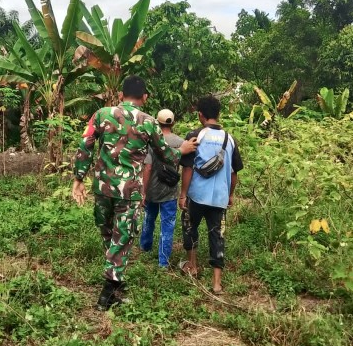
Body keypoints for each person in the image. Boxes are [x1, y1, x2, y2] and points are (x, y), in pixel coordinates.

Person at [72, 76, 197, 310]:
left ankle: (115, 281)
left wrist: (78, 178)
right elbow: (166, 156)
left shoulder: (101, 114)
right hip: (129, 191)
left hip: (103, 188)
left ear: (121, 95)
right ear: (145, 97)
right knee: (122, 238)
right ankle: (107, 294)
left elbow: (85, 144)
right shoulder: (149, 122)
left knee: (109, 236)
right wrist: (182, 150)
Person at [178, 95, 243, 294]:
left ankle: (193, 266)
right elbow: (234, 174)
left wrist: (183, 194)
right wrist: (230, 196)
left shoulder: (196, 135)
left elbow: (188, 169)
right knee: (217, 235)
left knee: (190, 226)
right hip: (220, 198)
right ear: (218, 114)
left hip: (197, 195)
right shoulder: (229, 139)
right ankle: (216, 284)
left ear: (200, 115)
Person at [139, 109, 184, 269]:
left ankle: (145, 247)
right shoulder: (180, 142)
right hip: (170, 191)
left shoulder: (152, 142)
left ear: (157, 123)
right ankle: (163, 262)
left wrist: (143, 191)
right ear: (173, 123)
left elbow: (148, 167)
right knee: (168, 226)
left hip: (152, 189)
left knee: (148, 219)